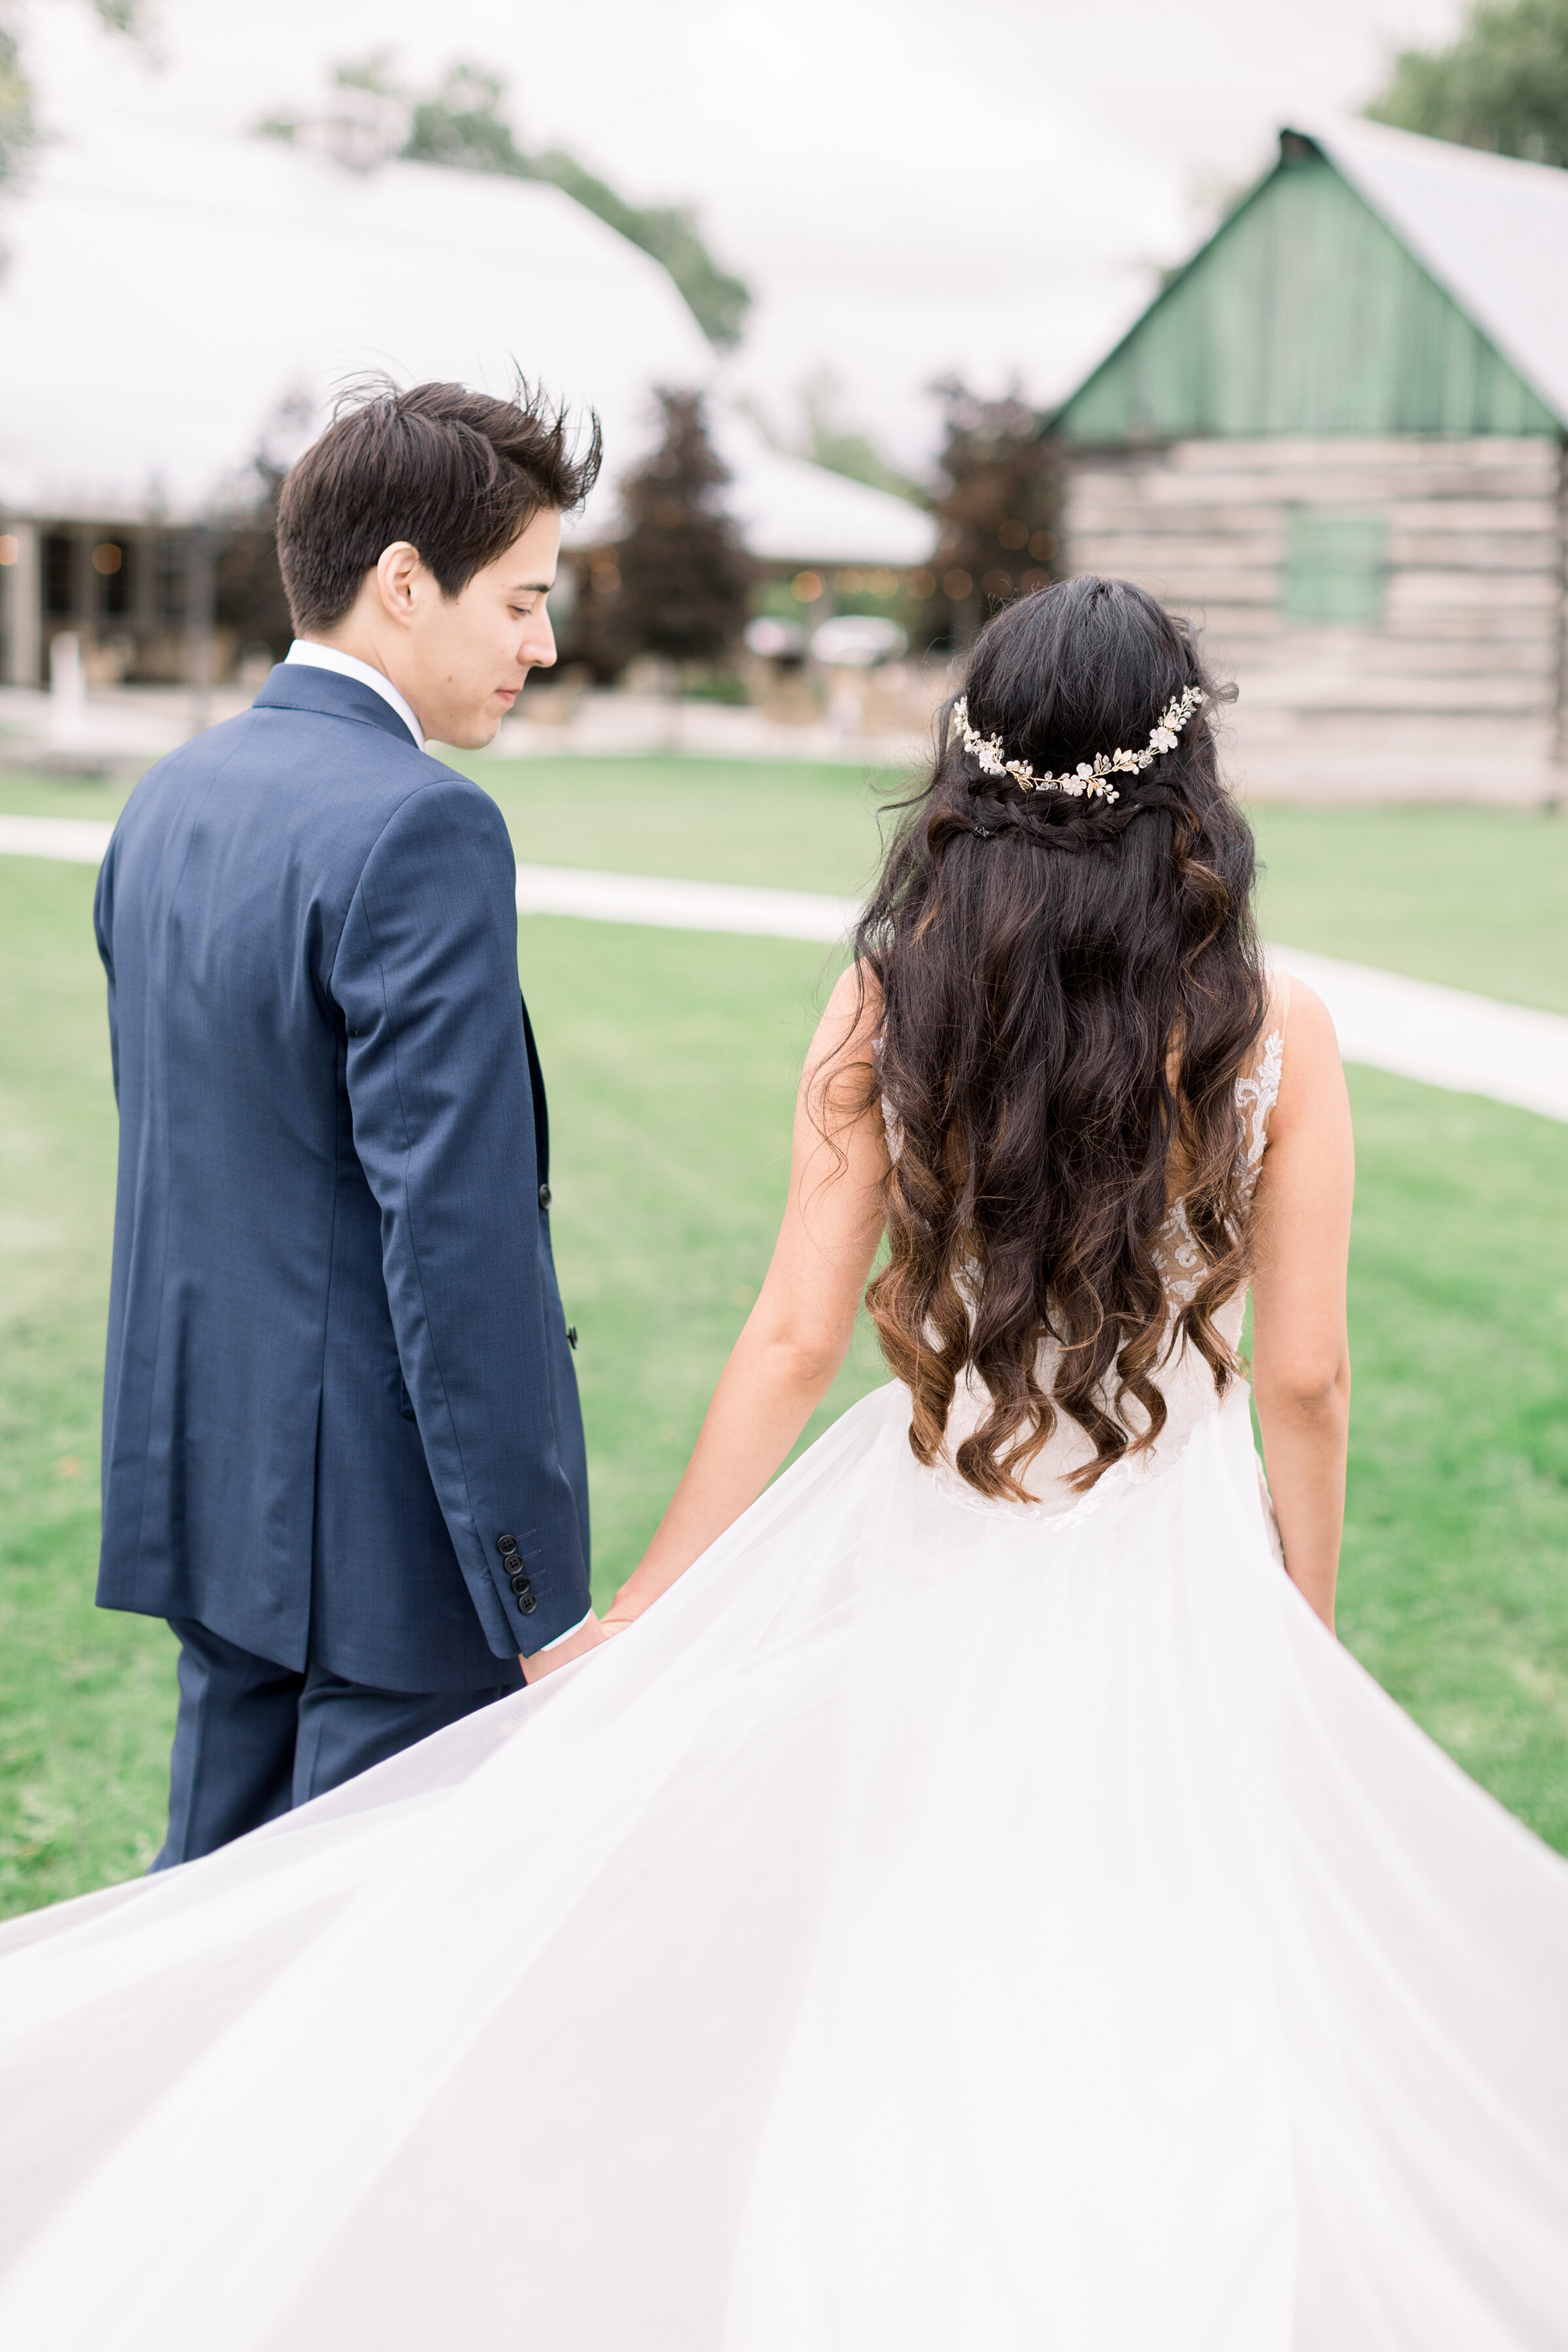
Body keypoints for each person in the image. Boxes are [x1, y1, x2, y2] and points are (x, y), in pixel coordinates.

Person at [3, 578, 1565, 2348]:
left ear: (975, 757)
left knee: (916, 1950)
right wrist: (1303, 1622)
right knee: (1173, 1960)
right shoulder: (1277, 1033)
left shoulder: (891, 1004)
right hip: (1174, 1563)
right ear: (1188, 762)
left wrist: (651, 1606)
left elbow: (790, 1337)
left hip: (942, 1539)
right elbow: (1308, 1373)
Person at [90, 380, 607, 1873]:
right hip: (387, 1555)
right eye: (521, 600)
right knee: (369, 2023)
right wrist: (538, 1596)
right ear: (401, 582)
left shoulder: (169, 802)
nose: (543, 646)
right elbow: (457, 1238)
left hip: (211, 1485)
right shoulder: (422, 826)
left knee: (206, 1961)